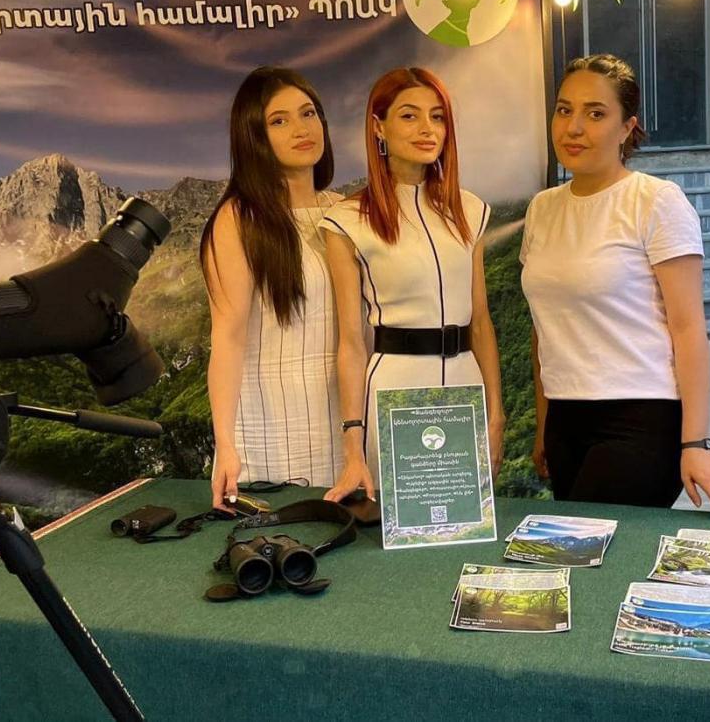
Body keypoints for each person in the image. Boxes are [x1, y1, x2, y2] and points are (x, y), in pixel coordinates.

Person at [520, 53, 710, 519]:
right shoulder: (543, 208)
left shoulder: (656, 201)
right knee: (580, 550)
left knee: (585, 544)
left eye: (595, 114)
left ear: (627, 127)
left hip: (640, 418)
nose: (573, 127)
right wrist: (544, 425)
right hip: (565, 418)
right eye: (564, 110)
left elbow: (688, 328)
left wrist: (696, 442)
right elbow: (545, 329)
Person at [318, 67, 504, 502]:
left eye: (437, 117)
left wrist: (496, 416)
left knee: (464, 524)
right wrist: (352, 444)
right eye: (409, 115)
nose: (427, 128)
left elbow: (480, 322)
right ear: (378, 127)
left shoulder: (471, 211)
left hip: (466, 388)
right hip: (393, 391)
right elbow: (351, 343)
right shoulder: (346, 221)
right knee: (396, 525)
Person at [200, 66, 345, 509]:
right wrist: (225, 443)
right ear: (254, 137)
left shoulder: (346, 211)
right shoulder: (239, 219)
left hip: (346, 418)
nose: (301, 129)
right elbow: (227, 337)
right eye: (279, 120)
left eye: (308, 113)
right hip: (271, 424)